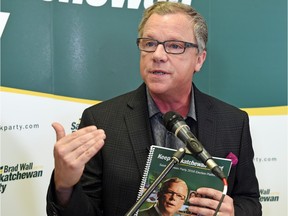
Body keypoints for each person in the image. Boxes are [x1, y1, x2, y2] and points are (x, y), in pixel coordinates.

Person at [46, 2, 262, 216]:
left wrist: (234, 213)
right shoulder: (102, 121)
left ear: (199, 59)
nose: (158, 55)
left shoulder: (233, 122)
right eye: (149, 43)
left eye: (175, 46)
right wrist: (64, 186)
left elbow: (250, 201)